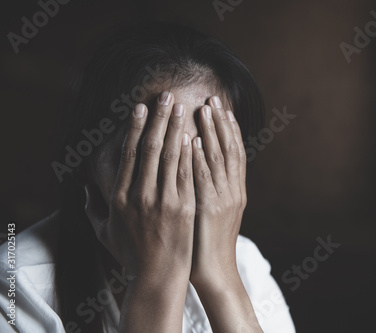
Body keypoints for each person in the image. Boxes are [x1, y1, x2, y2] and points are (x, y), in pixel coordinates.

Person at [0, 22, 295, 332]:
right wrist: (157, 278)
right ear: (83, 159)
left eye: (206, 159)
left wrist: (222, 280)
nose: (175, 199)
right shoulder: (16, 287)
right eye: (151, 159)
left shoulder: (244, 264)